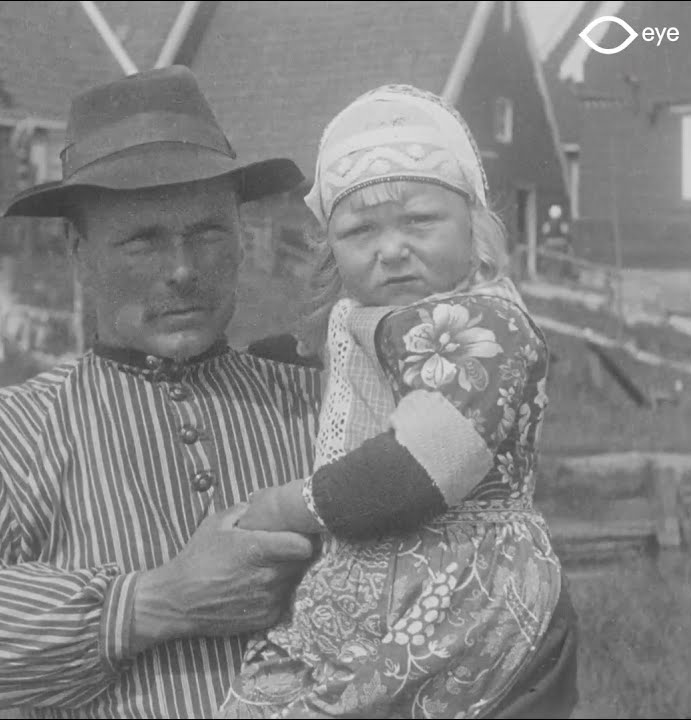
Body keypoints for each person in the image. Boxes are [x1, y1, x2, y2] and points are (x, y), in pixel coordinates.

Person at [0, 66, 323, 718]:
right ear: (78, 252)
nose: (182, 270)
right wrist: (158, 600)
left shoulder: (314, 406)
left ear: (241, 238)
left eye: (207, 232)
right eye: (143, 240)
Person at [217, 85, 578, 718]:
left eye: (419, 220)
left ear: (476, 229)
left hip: (467, 597)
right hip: (391, 583)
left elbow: (418, 469)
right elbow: (339, 358)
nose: (391, 248)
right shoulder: (369, 320)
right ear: (332, 252)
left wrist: (288, 504)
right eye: (360, 231)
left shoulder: (485, 328)